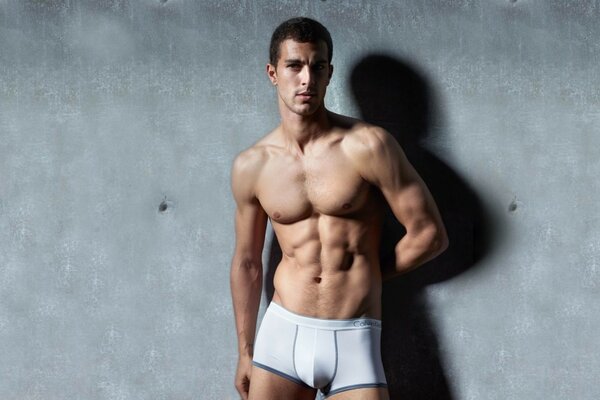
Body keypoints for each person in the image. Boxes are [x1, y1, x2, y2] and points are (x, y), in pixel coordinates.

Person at [230, 17, 448, 400]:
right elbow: (247, 263)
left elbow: (429, 234)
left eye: (317, 67)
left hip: (354, 335)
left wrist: (370, 272)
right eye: (294, 66)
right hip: (282, 335)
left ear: (329, 73)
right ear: (272, 73)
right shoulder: (253, 165)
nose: (306, 79)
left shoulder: (369, 146)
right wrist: (245, 351)